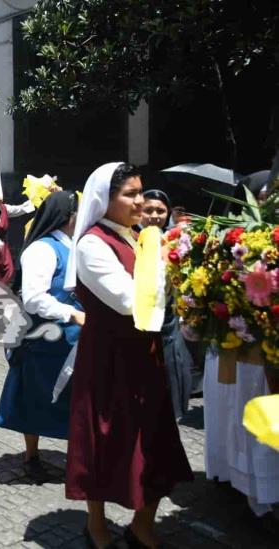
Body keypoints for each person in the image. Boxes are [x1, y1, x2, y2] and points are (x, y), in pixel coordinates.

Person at [64, 163, 193, 548]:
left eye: (141, 192)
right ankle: (97, 526)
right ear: (106, 199)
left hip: (144, 356)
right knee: (102, 442)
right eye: (130, 194)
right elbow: (127, 300)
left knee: (154, 443)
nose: (141, 201)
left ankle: (141, 525)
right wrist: (162, 255)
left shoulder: (139, 237)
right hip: (109, 360)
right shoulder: (92, 244)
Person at [0, 191, 83, 482]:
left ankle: (79, 456)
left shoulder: (75, 246)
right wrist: (70, 313)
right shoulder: (42, 250)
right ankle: (32, 456)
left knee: (77, 400)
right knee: (34, 398)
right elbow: (34, 299)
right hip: (44, 339)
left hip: (74, 340)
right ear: (67, 216)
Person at [139, 189, 194, 419]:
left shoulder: (175, 241)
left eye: (160, 211)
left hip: (170, 323)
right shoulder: (131, 239)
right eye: (148, 209)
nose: (154, 215)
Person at [0, 197, 35, 285]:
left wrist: (36, 199)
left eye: (1, 195)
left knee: (9, 271)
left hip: (3, 247)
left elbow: (20, 208)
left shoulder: (4, 208)